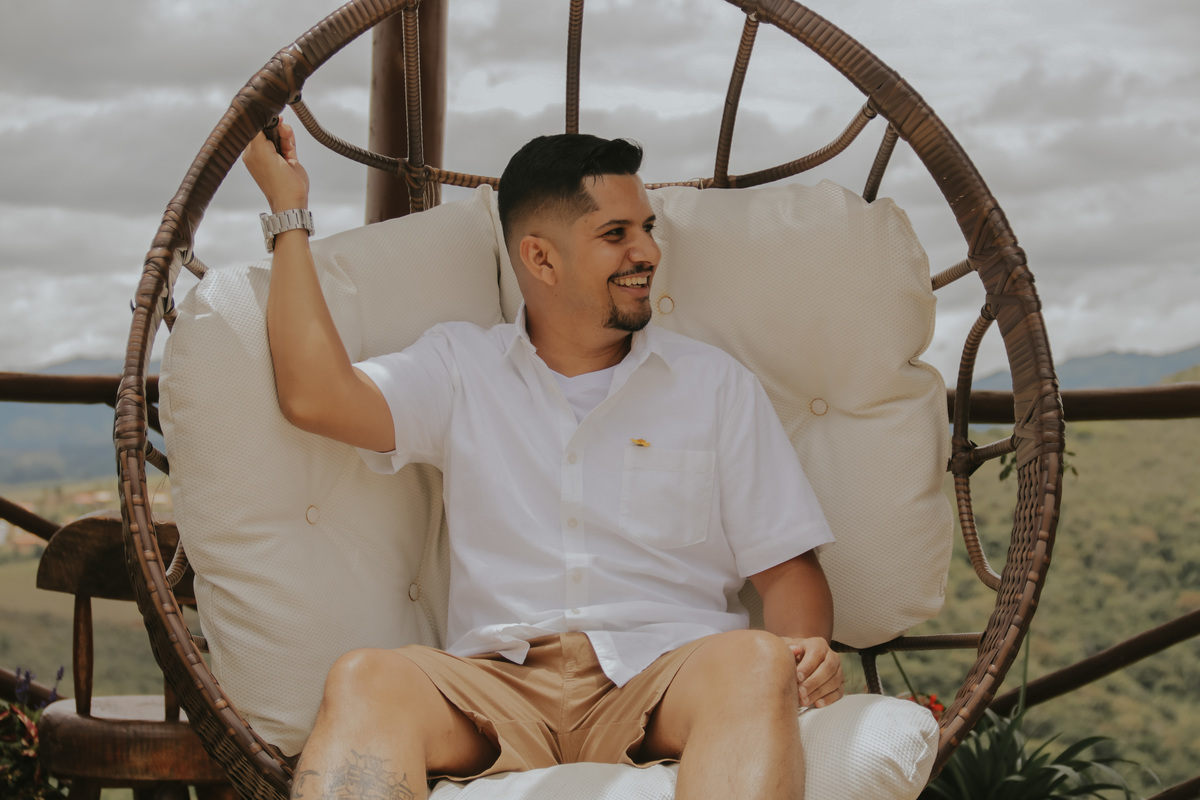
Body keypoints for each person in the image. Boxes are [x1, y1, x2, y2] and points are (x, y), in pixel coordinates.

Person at [243, 123, 843, 800]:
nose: (648, 251)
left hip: (667, 677)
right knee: (363, 678)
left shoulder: (715, 386)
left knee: (757, 659)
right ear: (541, 259)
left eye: (647, 228)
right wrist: (288, 212)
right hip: (495, 686)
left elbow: (788, 571)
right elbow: (316, 395)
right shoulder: (461, 368)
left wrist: (801, 654)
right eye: (616, 234)